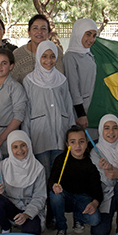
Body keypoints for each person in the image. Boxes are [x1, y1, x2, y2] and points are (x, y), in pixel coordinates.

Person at [22, 41, 75, 175]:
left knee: (59, 175)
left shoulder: (62, 79)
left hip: (60, 133)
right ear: (38, 57)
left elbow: (68, 107)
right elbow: (27, 111)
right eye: (44, 56)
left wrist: (72, 134)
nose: (48, 60)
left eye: (52, 56)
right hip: (39, 135)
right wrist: (26, 137)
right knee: (43, 174)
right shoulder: (29, 80)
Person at [48, 126, 103, 235]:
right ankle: (61, 228)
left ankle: (78, 218)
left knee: (95, 219)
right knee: (55, 196)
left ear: (87, 143)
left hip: (83, 198)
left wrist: (94, 203)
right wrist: (54, 185)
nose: (77, 146)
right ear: (67, 144)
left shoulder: (91, 162)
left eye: (81, 141)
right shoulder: (61, 159)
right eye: (73, 142)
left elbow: (97, 188)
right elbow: (52, 179)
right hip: (65, 197)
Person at [0, 130, 47, 235]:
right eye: (15, 147)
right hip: (11, 207)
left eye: (23, 145)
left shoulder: (38, 168)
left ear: (28, 145)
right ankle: (6, 227)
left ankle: (25, 222)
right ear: (10, 149)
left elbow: (40, 197)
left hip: (29, 210)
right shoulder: (2, 167)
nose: (20, 150)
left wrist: (26, 214)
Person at [0, 49, 28, 157]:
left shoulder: (16, 88)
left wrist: (0, 139)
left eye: (4, 63)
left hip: (5, 142)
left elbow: (18, 117)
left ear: (11, 66)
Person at [64, 18, 98, 129]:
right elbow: (73, 88)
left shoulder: (88, 53)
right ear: (78, 33)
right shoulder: (70, 57)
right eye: (88, 34)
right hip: (79, 112)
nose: (91, 39)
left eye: (94, 35)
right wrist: (81, 114)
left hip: (91, 108)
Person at [11, 14, 65, 83]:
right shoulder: (18, 54)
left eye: (43, 28)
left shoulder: (57, 52)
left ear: (49, 33)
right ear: (29, 32)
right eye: (35, 28)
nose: (39, 32)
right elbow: (11, 83)